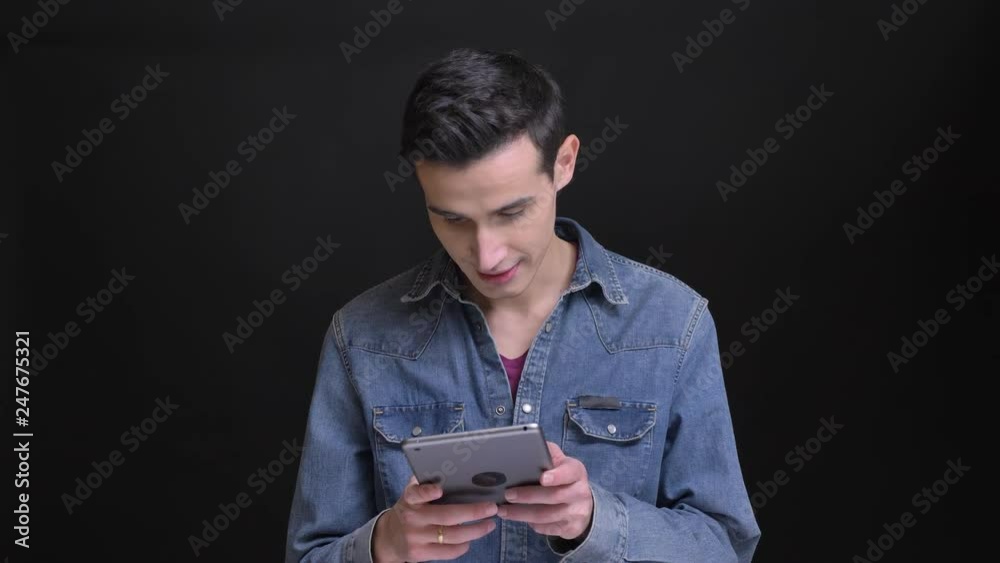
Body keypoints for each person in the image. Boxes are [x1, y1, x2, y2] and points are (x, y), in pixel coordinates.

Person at [285, 47, 761, 563]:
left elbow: (724, 549)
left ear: (564, 163)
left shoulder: (673, 323)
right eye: (453, 219)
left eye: (511, 212)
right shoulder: (361, 336)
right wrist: (387, 546)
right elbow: (309, 555)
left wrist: (594, 522)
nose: (487, 255)